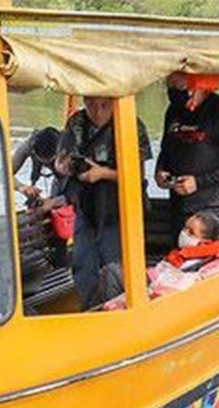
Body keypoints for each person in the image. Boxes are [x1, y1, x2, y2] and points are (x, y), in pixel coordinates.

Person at [54, 96, 152, 309]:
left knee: (114, 266)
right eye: (91, 104)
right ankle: (89, 311)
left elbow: (137, 175)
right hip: (86, 207)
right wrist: (66, 166)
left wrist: (103, 173)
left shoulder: (130, 124)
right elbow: (60, 161)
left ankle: (119, 312)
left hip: (120, 209)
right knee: (83, 264)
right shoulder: (76, 123)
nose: (97, 111)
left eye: (104, 105)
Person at [155, 72, 219, 231]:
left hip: (211, 207)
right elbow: (166, 148)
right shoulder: (174, 110)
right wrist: (161, 170)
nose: (174, 91)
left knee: (202, 252)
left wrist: (199, 182)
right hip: (179, 204)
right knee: (178, 252)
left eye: (179, 87)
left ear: (199, 86)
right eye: (170, 86)